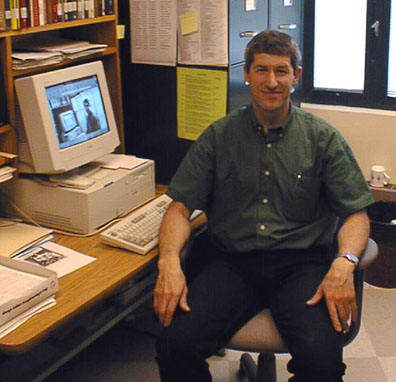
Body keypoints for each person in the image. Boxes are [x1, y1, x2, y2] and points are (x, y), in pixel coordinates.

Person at [153, 30, 374, 382]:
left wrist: (344, 264)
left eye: (281, 71)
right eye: (262, 70)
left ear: (296, 77)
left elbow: (356, 214)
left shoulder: (322, 138)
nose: (272, 82)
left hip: (301, 265)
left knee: (322, 363)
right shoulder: (219, 136)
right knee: (174, 344)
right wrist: (169, 263)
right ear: (247, 73)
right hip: (231, 264)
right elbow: (179, 209)